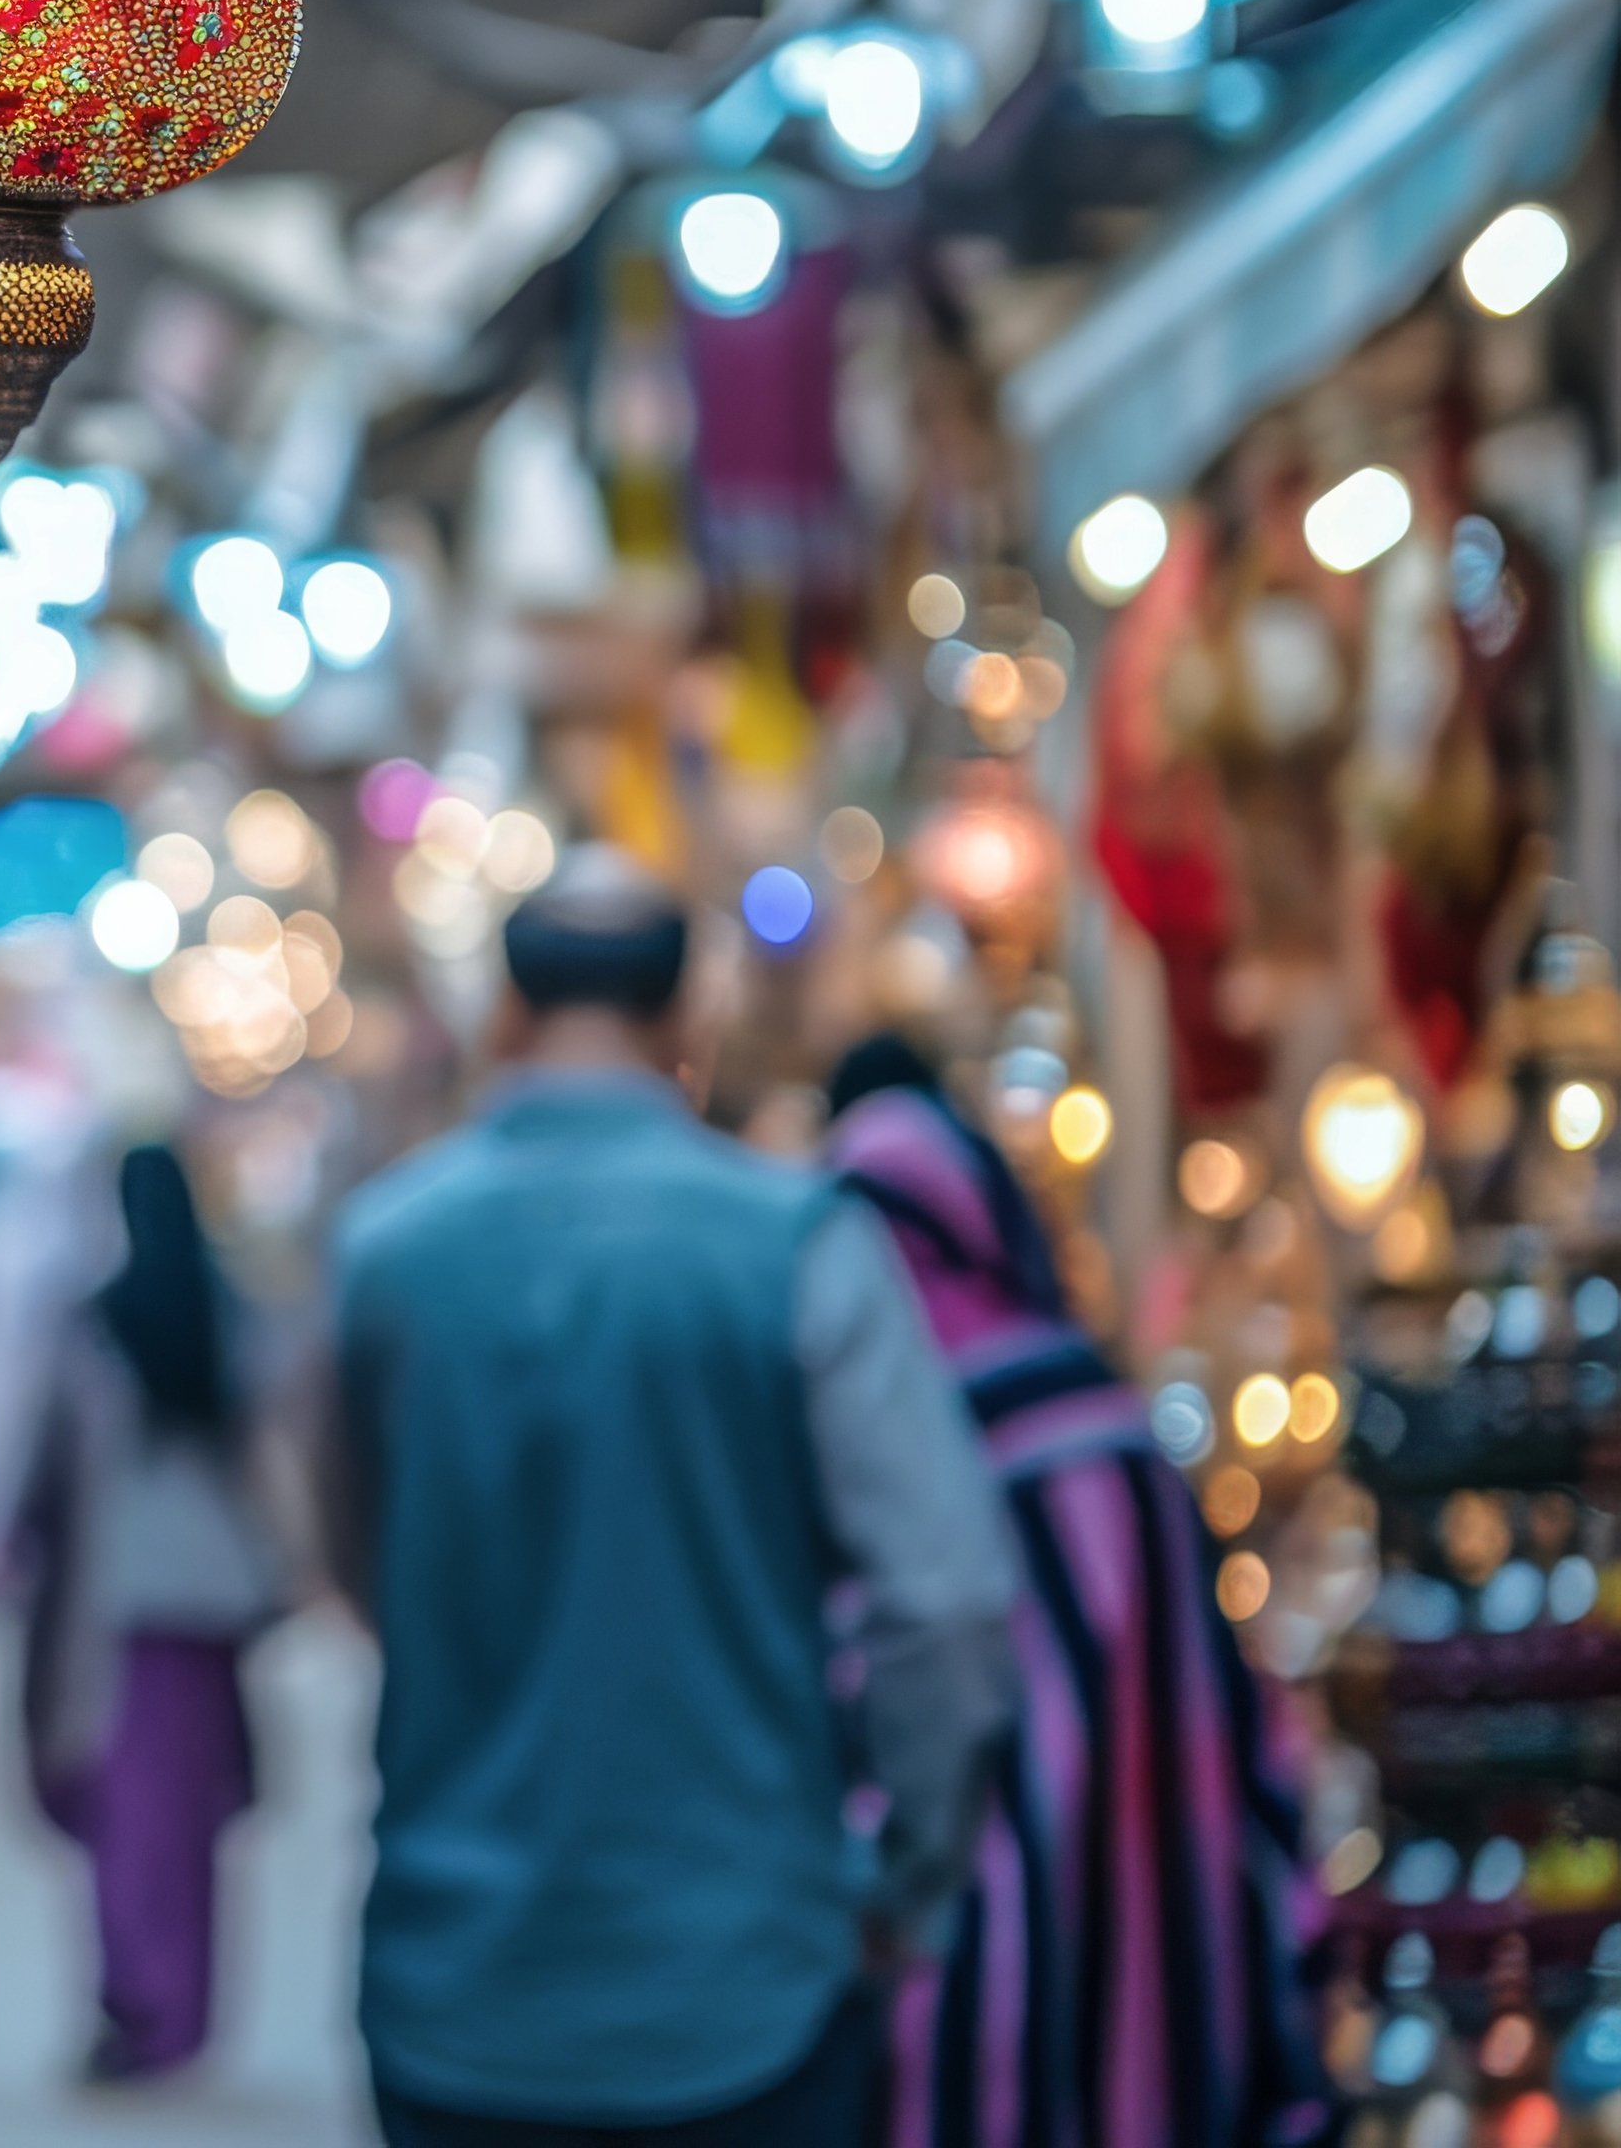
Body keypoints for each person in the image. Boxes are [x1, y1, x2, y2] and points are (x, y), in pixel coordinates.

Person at [325, 848, 1022, 2146]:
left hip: (459, 1986)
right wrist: (910, 1883)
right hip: (748, 1981)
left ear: (508, 1019)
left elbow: (359, 1567)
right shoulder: (801, 1244)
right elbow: (946, 1601)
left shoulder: (385, 1258)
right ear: (688, 1025)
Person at [822, 1038, 1328, 2148]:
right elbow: (1222, 1721)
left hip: (929, 1989)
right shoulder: (1105, 1424)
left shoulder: (850, 1437)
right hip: (1138, 1949)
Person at [16, 1144, 284, 2081]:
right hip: (213, 1599)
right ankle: (181, 2018)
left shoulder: (93, 1328)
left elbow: (44, 1466)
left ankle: (136, 2001)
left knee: (129, 1821)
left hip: (117, 1605)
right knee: (192, 1826)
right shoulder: (229, 1320)